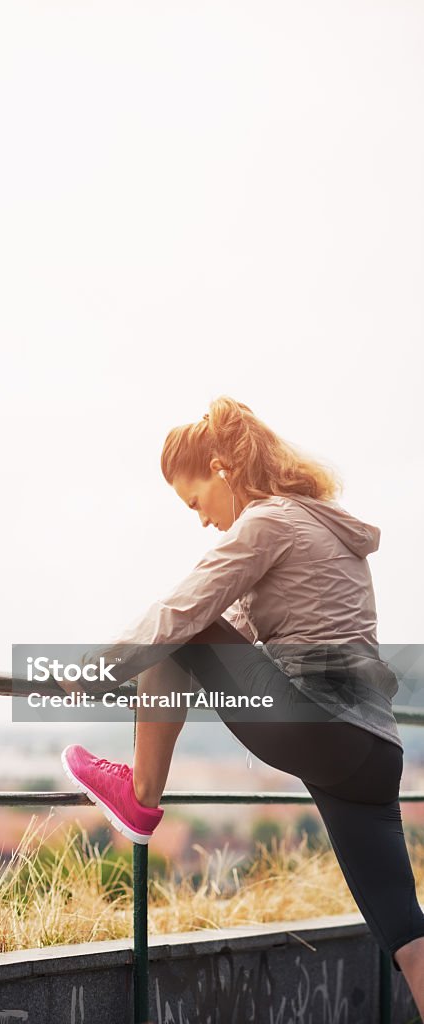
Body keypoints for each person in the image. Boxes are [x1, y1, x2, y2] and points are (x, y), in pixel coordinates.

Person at [59, 395, 424, 1011]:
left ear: (223, 469)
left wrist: (89, 671)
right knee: (408, 935)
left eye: (195, 501)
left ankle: (140, 796)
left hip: (318, 724)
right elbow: (237, 630)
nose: (201, 521)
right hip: (374, 750)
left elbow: (186, 614)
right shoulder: (318, 526)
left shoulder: (268, 523)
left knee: (181, 626)